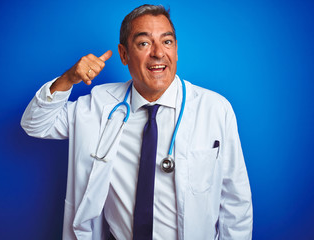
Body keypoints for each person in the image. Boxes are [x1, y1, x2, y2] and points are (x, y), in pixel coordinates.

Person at [21, 4, 253, 240]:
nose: (158, 53)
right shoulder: (99, 106)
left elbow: (236, 203)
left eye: (167, 42)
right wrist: (68, 79)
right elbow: (35, 123)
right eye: (144, 43)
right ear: (124, 54)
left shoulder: (214, 109)